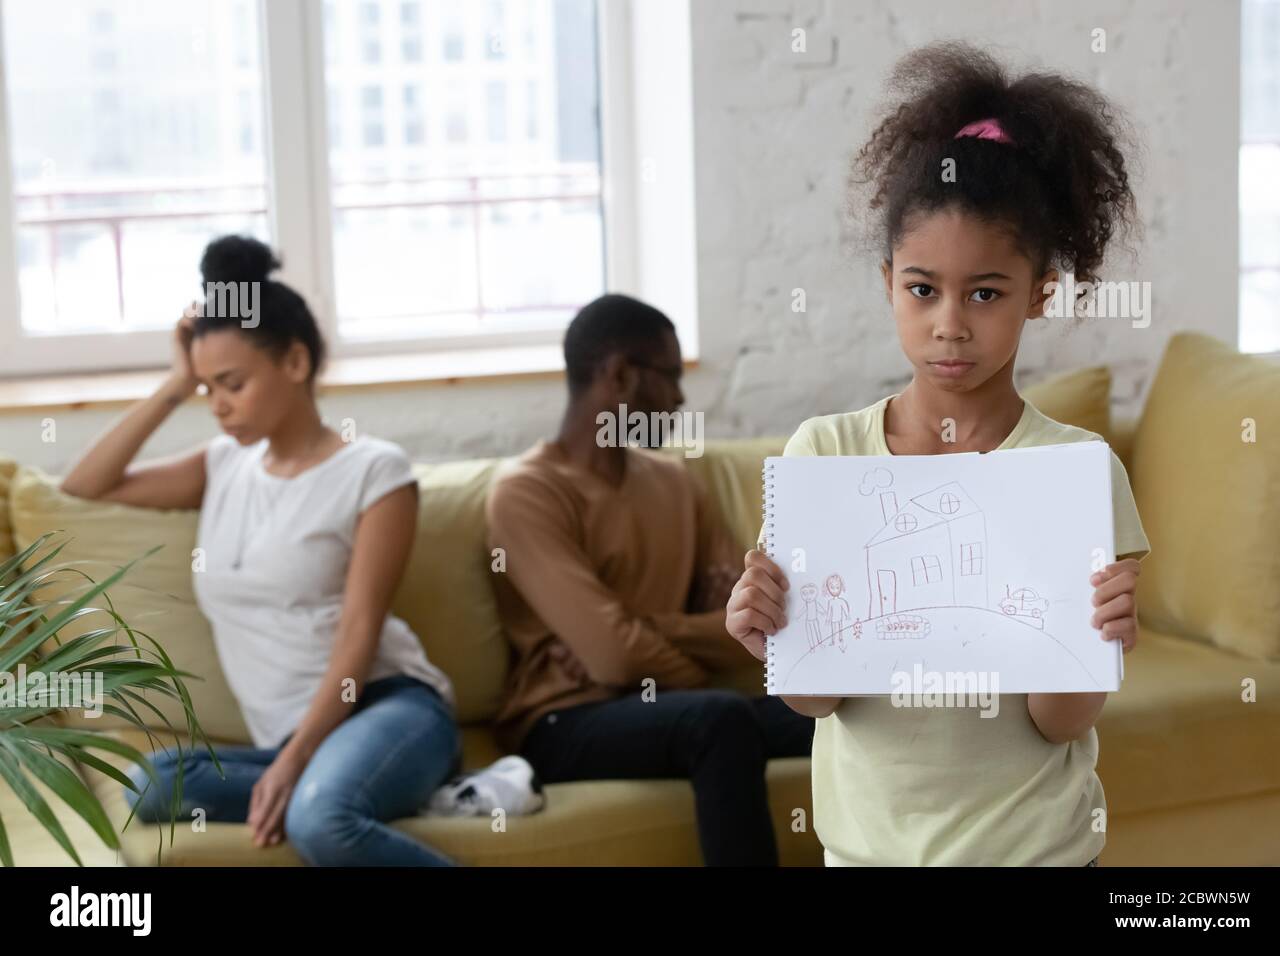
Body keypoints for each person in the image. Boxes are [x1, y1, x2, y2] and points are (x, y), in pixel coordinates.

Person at [726, 43, 1150, 866]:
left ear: (1040, 294)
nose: (950, 323)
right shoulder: (826, 455)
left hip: (1034, 852)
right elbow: (820, 698)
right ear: (890, 283)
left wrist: (1096, 639)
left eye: (985, 293)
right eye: (924, 289)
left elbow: (1059, 721)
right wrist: (771, 637)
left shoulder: (1076, 471)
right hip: (867, 852)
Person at [61, 235, 460, 866]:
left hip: (388, 708)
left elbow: (360, 634)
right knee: (149, 785)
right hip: (286, 744)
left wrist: (298, 761)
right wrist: (174, 381)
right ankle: (342, 785)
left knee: (321, 821)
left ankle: (337, 787)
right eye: (205, 388)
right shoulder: (223, 466)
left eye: (233, 383)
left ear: (296, 362)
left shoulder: (375, 472)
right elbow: (86, 485)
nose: (217, 405)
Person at [486, 293, 814, 866]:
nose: (681, 396)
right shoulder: (526, 492)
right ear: (617, 376)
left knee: (845, 706)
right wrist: (689, 656)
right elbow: (614, 662)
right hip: (564, 719)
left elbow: (744, 632)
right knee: (719, 718)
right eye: (668, 374)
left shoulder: (675, 483)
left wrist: (644, 631)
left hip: (681, 703)